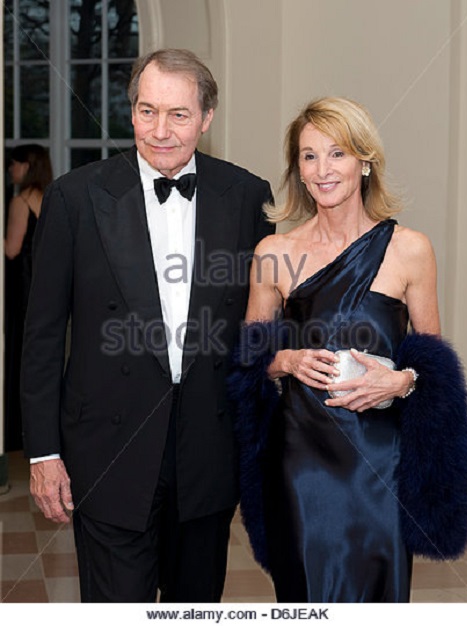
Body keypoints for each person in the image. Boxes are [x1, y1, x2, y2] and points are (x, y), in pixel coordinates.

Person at [20, 48, 274, 603]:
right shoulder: (75, 197)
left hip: (208, 449)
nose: (160, 131)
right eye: (146, 111)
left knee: (195, 605)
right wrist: (43, 453)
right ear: (130, 111)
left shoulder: (248, 197)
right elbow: (40, 336)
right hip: (106, 449)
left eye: (179, 114)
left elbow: (267, 325)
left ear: (207, 118)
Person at [229, 97, 467, 602]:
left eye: (336, 153)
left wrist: (401, 380)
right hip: (300, 462)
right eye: (309, 156)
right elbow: (249, 359)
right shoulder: (274, 253)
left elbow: (431, 367)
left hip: (382, 464)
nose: (322, 170)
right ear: (297, 168)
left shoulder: (410, 248)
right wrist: (290, 360)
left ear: (365, 161)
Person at [4, 144, 53, 451]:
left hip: (21, 288)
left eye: (13, 164)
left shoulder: (21, 201)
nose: (10, 170)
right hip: (45, 288)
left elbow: (11, 249)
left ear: (26, 166)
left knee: (17, 356)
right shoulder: (51, 197)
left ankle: (13, 432)